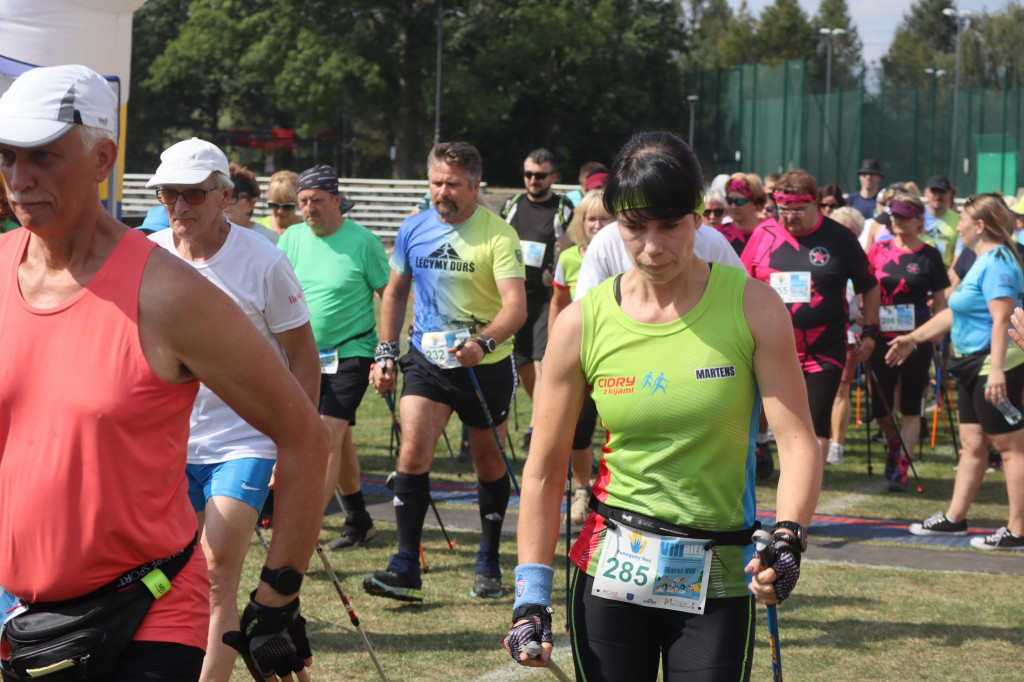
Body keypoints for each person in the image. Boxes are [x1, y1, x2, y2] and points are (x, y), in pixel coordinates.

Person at [0, 64, 328, 682]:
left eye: (43, 156)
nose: (20, 179)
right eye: (8, 156)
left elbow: (305, 433)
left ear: (103, 160)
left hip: (149, 614)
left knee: (218, 563)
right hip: (29, 622)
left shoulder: (169, 292)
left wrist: (278, 596)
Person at [505, 131, 821, 680]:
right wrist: (531, 596)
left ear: (699, 216)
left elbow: (798, 444)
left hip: (719, 573)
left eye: (670, 225)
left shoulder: (753, 306)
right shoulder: (583, 321)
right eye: (634, 227)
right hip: (610, 567)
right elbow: (543, 470)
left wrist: (789, 538)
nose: (652, 246)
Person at [146, 138, 320, 681]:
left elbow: (304, 360)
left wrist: (296, 451)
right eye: (168, 195)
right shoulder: (147, 255)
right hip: (169, 445)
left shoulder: (263, 259)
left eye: (193, 196)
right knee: (168, 575)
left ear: (224, 197)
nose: (179, 208)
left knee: (219, 569)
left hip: (246, 441)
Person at [366, 141, 526, 602]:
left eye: (453, 184)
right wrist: (386, 353)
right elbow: (395, 293)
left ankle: (489, 557)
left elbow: (515, 306)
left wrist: (482, 342)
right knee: (413, 454)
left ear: (476, 185)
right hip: (426, 361)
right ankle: (404, 563)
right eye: (436, 182)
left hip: (485, 365)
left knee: (487, 461)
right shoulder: (413, 227)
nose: (442, 191)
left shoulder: (498, 234)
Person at [890, 194, 1024, 549]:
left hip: (993, 366)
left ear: (980, 225)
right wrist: (913, 338)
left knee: (1011, 449)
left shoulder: (999, 262)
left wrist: (996, 371)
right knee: (972, 446)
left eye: (962, 219)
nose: (957, 225)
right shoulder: (979, 259)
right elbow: (956, 312)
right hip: (970, 365)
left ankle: (1018, 530)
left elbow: (1002, 320)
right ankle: (955, 518)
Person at [278, 164, 390, 551]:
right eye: (303, 201)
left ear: (337, 201)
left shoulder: (364, 242)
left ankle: (303, 532)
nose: (308, 208)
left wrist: (386, 353)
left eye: (317, 201)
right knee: (338, 440)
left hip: (352, 352)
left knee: (325, 437)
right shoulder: (291, 238)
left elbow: (389, 295)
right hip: (303, 356)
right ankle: (358, 519)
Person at [742, 170, 880, 464]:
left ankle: (802, 498)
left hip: (824, 349)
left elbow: (870, 286)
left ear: (815, 203)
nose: (789, 217)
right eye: (783, 209)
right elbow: (741, 285)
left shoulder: (839, 237)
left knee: (814, 428)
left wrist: (870, 331)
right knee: (774, 422)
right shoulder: (763, 234)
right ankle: (764, 449)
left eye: (797, 210)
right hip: (770, 349)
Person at [865, 194, 949, 490]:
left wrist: (936, 335)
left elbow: (940, 301)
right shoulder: (877, 249)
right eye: (894, 216)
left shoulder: (929, 254)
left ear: (918, 220)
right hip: (881, 337)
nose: (897, 221)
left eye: (903, 217)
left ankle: (902, 465)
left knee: (912, 407)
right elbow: (864, 286)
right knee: (880, 407)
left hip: (916, 339)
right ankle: (892, 441)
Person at [501, 148, 574, 453]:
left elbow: (570, 245)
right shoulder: (513, 204)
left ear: (553, 177)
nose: (533, 180)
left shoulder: (563, 207)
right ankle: (546, 412)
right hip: (515, 295)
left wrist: (554, 270)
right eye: (528, 174)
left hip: (548, 297)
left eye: (540, 175)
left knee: (541, 361)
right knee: (522, 365)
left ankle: (535, 428)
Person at [547, 190, 612, 524]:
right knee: (581, 429)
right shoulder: (569, 258)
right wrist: (553, 348)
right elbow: (558, 305)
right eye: (591, 218)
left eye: (604, 218)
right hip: (581, 354)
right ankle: (582, 489)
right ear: (580, 223)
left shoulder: (626, 255)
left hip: (618, 353)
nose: (597, 225)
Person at [827, 207, 867, 465]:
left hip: (850, 332)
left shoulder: (859, 258)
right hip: (820, 332)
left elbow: (868, 296)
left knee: (842, 389)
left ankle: (836, 445)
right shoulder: (821, 256)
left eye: (847, 230)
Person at [224, 162, 279, 244]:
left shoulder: (267, 238)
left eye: (233, 197)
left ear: (251, 204)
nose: (225, 203)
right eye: (223, 196)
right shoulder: (207, 236)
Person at [717, 172, 767, 257]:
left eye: (740, 201)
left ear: (756, 203)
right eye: (729, 201)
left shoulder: (769, 233)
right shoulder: (719, 234)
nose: (733, 206)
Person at [923, 174, 959, 265]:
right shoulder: (916, 217)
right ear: (926, 192)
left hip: (944, 272)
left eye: (942, 191)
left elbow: (959, 254)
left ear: (950, 194)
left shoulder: (959, 220)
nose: (938, 196)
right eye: (934, 191)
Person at [257, 170, 303, 237]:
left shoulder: (307, 232)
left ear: (298, 203)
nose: (280, 211)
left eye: (287, 206)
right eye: (274, 205)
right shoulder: (257, 229)